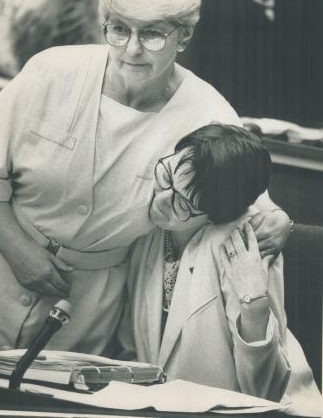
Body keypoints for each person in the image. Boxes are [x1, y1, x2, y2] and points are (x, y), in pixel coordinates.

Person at [0, 0, 290, 354]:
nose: (131, 49)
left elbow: (250, 198)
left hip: (86, 304)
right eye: (119, 29)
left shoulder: (207, 111)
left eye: (152, 35)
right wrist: (15, 247)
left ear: (183, 37)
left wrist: (279, 221)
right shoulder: (52, 71)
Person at [124, 123, 320, 407]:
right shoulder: (150, 233)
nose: (162, 199)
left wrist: (254, 304)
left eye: (183, 202)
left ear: (218, 215)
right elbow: (131, 348)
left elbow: (264, 392)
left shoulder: (243, 242)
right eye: (167, 174)